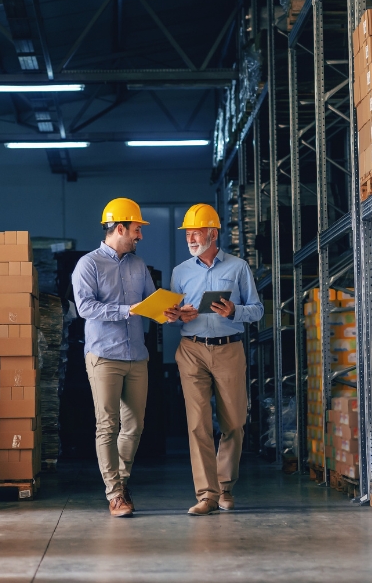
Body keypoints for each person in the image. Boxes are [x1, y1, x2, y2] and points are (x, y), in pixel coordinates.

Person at [164, 203, 263, 515]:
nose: (191, 238)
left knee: (234, 421)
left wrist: (235, 310)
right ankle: (207, 494)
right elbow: (172, 315)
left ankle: (226, 488)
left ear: (213, 233)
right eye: (188, 233)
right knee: (198, 424)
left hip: (229, 348)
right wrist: (179, 315)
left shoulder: (238, 268)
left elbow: (258, 309)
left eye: (197, 232)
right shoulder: (180, 272)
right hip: (191, 349)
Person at [72, 198, 157, 518]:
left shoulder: (138, 265)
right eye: (136, 230)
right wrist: (127, 310)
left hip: (136, 354)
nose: (140, 236)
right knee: (107, 424)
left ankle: (121, 483)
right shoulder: (89, 264)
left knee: (134, 425)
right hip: (104, 355)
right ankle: (114, 493)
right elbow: (86, 308)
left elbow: (150, 303)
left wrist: (172, 311)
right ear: (119, 228)